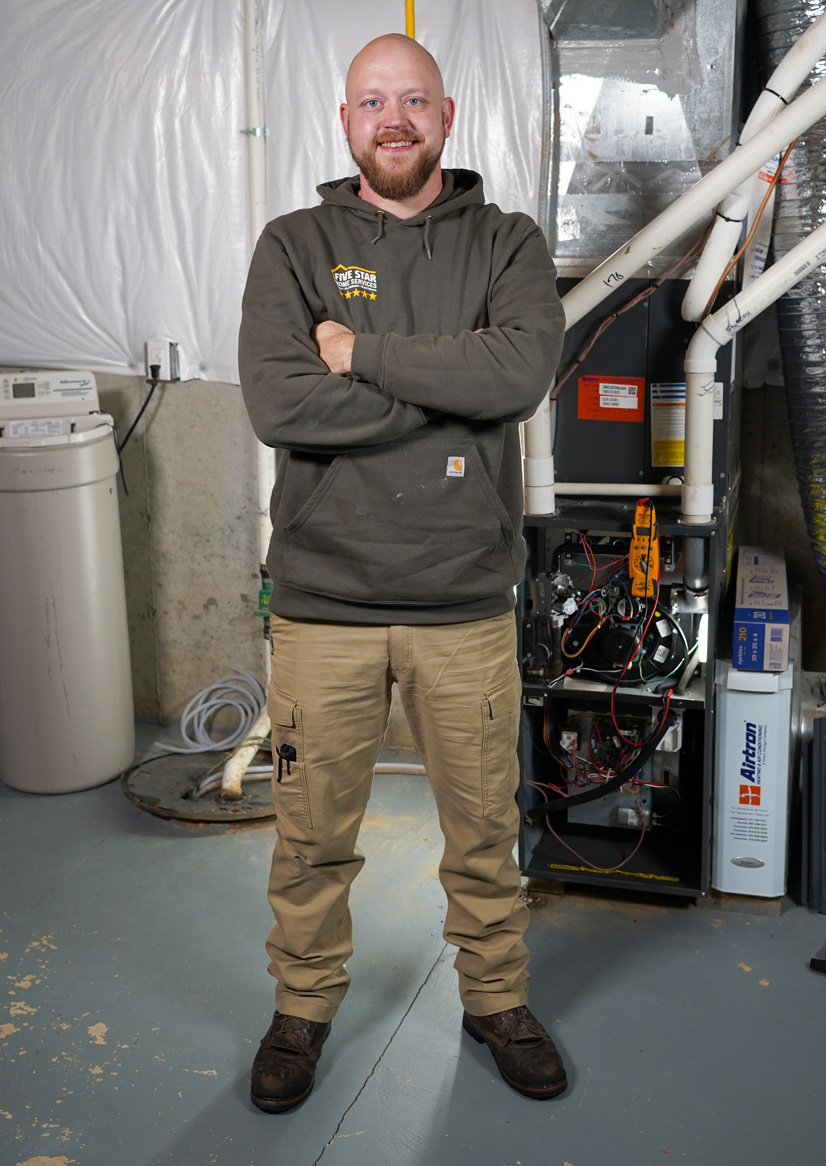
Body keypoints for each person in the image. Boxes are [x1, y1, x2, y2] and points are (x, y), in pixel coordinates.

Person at [238, 32, 566, 1112]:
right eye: (372, 101)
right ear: (345, 122)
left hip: (464, 600)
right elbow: (283, 405)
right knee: (311, 837)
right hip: (325, 604)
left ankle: (497, 998)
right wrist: (451, 381)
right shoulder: (293, 243)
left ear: (447, 113)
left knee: (483, 832)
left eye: (413, 100)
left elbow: (518, 369)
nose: (394, 119)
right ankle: (303, 1006)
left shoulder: (507, 242)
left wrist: (362, 352)